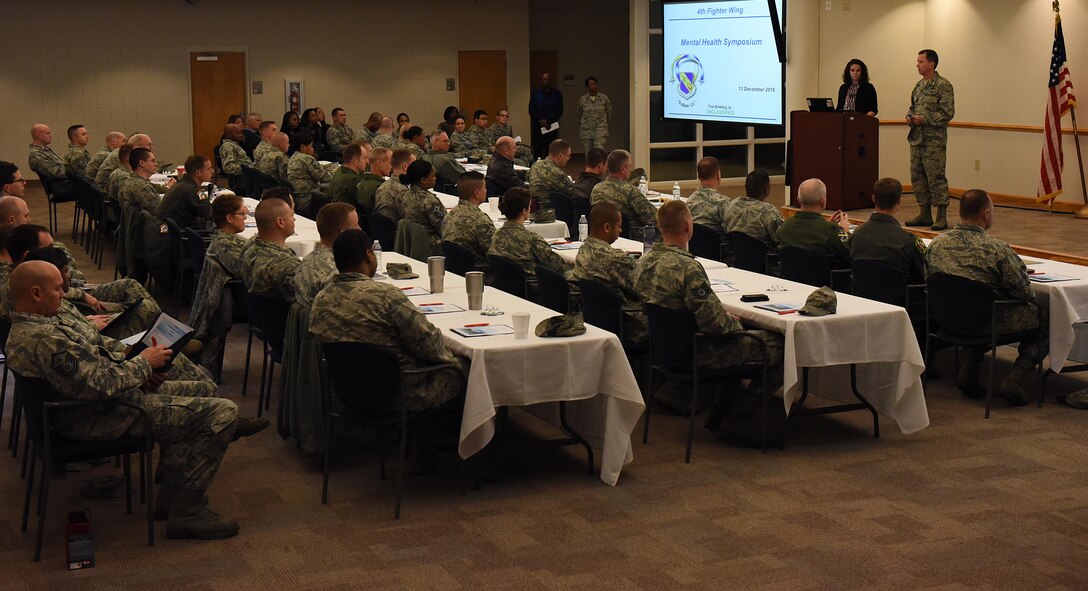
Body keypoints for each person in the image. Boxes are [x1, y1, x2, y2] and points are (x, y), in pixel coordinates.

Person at [6, 260, 274, 539]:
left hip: (99, 404)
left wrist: (133, 360)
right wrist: (144, 365)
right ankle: (188, 512)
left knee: (201, 390)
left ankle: (172, 493)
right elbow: (100, 384)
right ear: (36, 293)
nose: (64, 294)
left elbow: (94, 356)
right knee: (222, 413)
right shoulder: (46, 339)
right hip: (95, 416)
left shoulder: (42, 323)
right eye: (58, 289)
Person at [634, 201, 785, 418]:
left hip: (664, 350)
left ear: (659, 227)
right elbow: (714, 325)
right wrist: (735, 322)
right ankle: (742, 411)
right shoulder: (689, 269)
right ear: (688, 227)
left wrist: (722, 318)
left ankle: (718, 403)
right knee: (779, 343)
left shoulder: (643, 262)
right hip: (698, 352)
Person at [310, 228, 465, 413]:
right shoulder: (386, 296)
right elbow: (429, 344)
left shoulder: (320, 299)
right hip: (403, 393)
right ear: (369, 255)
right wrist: (453, 359)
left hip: (348, 391)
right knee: (466, 366)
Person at [926, 189, 1045, 404]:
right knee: (1047, 319)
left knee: (976, 306)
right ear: (986, 213)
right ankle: (1015, 379)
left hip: (947, 319)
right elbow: (1025, 293)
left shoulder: (936, 244)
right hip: (986, 322)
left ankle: (970, 369)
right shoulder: (997, 250)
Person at [572, 203, 646, 342]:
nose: (620, 230)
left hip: (596, 322)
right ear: (607, 228)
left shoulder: (584, 249)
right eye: (618, 226)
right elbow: (644, 288)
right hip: (631, 325)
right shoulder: (615, 259)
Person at [905, 49, 955, 230]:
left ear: (931, 64)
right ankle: (924, 213)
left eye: (920, 61)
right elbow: (912, 107)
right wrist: (910, 117)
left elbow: (947, 113)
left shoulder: (943, 85)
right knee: (918, 177)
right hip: (917, 139)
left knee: (936, 177)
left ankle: (941, 215)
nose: (917, 64)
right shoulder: (918, 86)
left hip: (934, 142)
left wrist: (925, 119)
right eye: (917, 61)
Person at [849, 178, 925, 284]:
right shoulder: (908, 242)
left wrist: (841, 232)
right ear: (899, 201)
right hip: (901, 299)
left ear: (873, 199)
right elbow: (923, 274)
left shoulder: (857, 235)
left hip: (863, 296)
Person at [488, 187, 572, 278]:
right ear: (524, 211)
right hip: (534, 286)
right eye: (530, 206)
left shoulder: (496, 235)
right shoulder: (531, 239)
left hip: (506, 286)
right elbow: (557, 265)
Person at [294, 202, 359, 310]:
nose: (360, 230)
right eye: (356, 226)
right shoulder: (336, 274)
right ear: (344, 234)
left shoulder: (306, 261)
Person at [777, 178, 850, 269]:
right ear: (823, 201)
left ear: (798, 200)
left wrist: (826, 225)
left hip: (792, 280)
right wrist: (845, 232)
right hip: (826, 282)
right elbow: (851, 253)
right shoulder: (832, 230)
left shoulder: (785, 226)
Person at [240, 197, 300, 303]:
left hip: (258, 317)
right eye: (291, 216)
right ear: (280, 222)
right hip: (283, 318)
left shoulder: (249, 250)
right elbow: (303, 301)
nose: (294, 219)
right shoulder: (287, 264)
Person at [590, 150, 656, 234]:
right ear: (623, 169)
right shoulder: (629, 190)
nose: (631, 170)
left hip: (603, 235)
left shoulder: (596, 189)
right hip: (632, 238)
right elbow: (651, 218)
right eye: (630, 167)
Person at [442, 172, 494, 272]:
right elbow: (494, 255)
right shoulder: (481, 220)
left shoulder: (450, 215)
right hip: (479, 274)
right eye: (485, 188)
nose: (486, 190)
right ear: (477, 193)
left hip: (455, 272)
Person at [725, 169, 783, 253]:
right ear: (766, 190)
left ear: (746, 187)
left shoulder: (732, 205)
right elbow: (782, 241)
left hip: (737, 260)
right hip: (765, 262)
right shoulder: (768, 211)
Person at [686, 157, 733, 257]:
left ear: (698, 176)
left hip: (695, 254)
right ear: (718, 175)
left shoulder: (690, 201)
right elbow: (733, 234)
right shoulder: (724, 203)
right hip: (719, 255)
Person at [159, 155, 214, 230]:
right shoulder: (193, 190)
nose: (212, 171)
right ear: (198, 173)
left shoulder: (182, 184)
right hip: (179, 235)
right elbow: (209, 212)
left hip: (168, 231)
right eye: (209, 169)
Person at [527, 139, 574, 223]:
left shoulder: (535, 165)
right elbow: (573, 192)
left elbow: (527, 177)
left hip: (531, 210)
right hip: (547, 213)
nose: (569, 159)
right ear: (560, 155)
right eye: (568, 156)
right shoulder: (556, 173)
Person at [399, 160, 445, 246]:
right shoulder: (430, 200)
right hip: (430, 244)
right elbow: (443, 228)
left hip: (413, 241)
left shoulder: (405, 194)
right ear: (423, 180)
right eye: (433, 176)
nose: (435, 178)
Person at [287, 132, 333, 213]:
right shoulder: (307, 159)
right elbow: (324, 177)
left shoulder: (293, 157)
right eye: (311, 146)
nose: (313, 149)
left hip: (297, 196)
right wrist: (336, 173)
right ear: (303, 147)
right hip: (308, 198)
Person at [27, 123, 76, 200]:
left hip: (65, 184)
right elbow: (57, 173)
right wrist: (75, 169)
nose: (51, 136)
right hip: (60, 188)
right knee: (93, 189)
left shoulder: (44, 150)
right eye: (48, 133)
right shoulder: (36, 155)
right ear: (39, 135)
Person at [374, 148, 415, 225]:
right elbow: (411, 220)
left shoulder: (383, 186)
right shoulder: (403, 191)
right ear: (405, 166)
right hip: (399, 233)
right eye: (414, 165)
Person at [118, 148, 164, 213]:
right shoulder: (143, 188)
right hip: (151, 222)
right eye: (153, 161)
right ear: (142, 163)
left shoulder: (129, 180)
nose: (156, 164)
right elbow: (158, 212)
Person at [529, 73, 564, 159]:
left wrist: (548, 121)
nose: (545, 81)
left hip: (551, 127)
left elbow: (559, 110)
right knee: (537, 150)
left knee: (551, 150)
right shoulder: (535, 93)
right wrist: (541, 120)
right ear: (541, 81)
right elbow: (531, 109)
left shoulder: (557, 94)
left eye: (547, 79)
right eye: (543, 79)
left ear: (550, 81)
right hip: (538, 126)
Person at [576, 76, 612, 153]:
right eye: (590, 84)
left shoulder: (604, 98)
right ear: (587, 86)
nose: (592, 86)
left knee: (599, 152)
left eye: (594, 83)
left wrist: (603, 124)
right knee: (588, 154)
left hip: (600, 130)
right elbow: (579, 114)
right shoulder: (582, 100)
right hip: (586, 131)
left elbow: (609, 112)